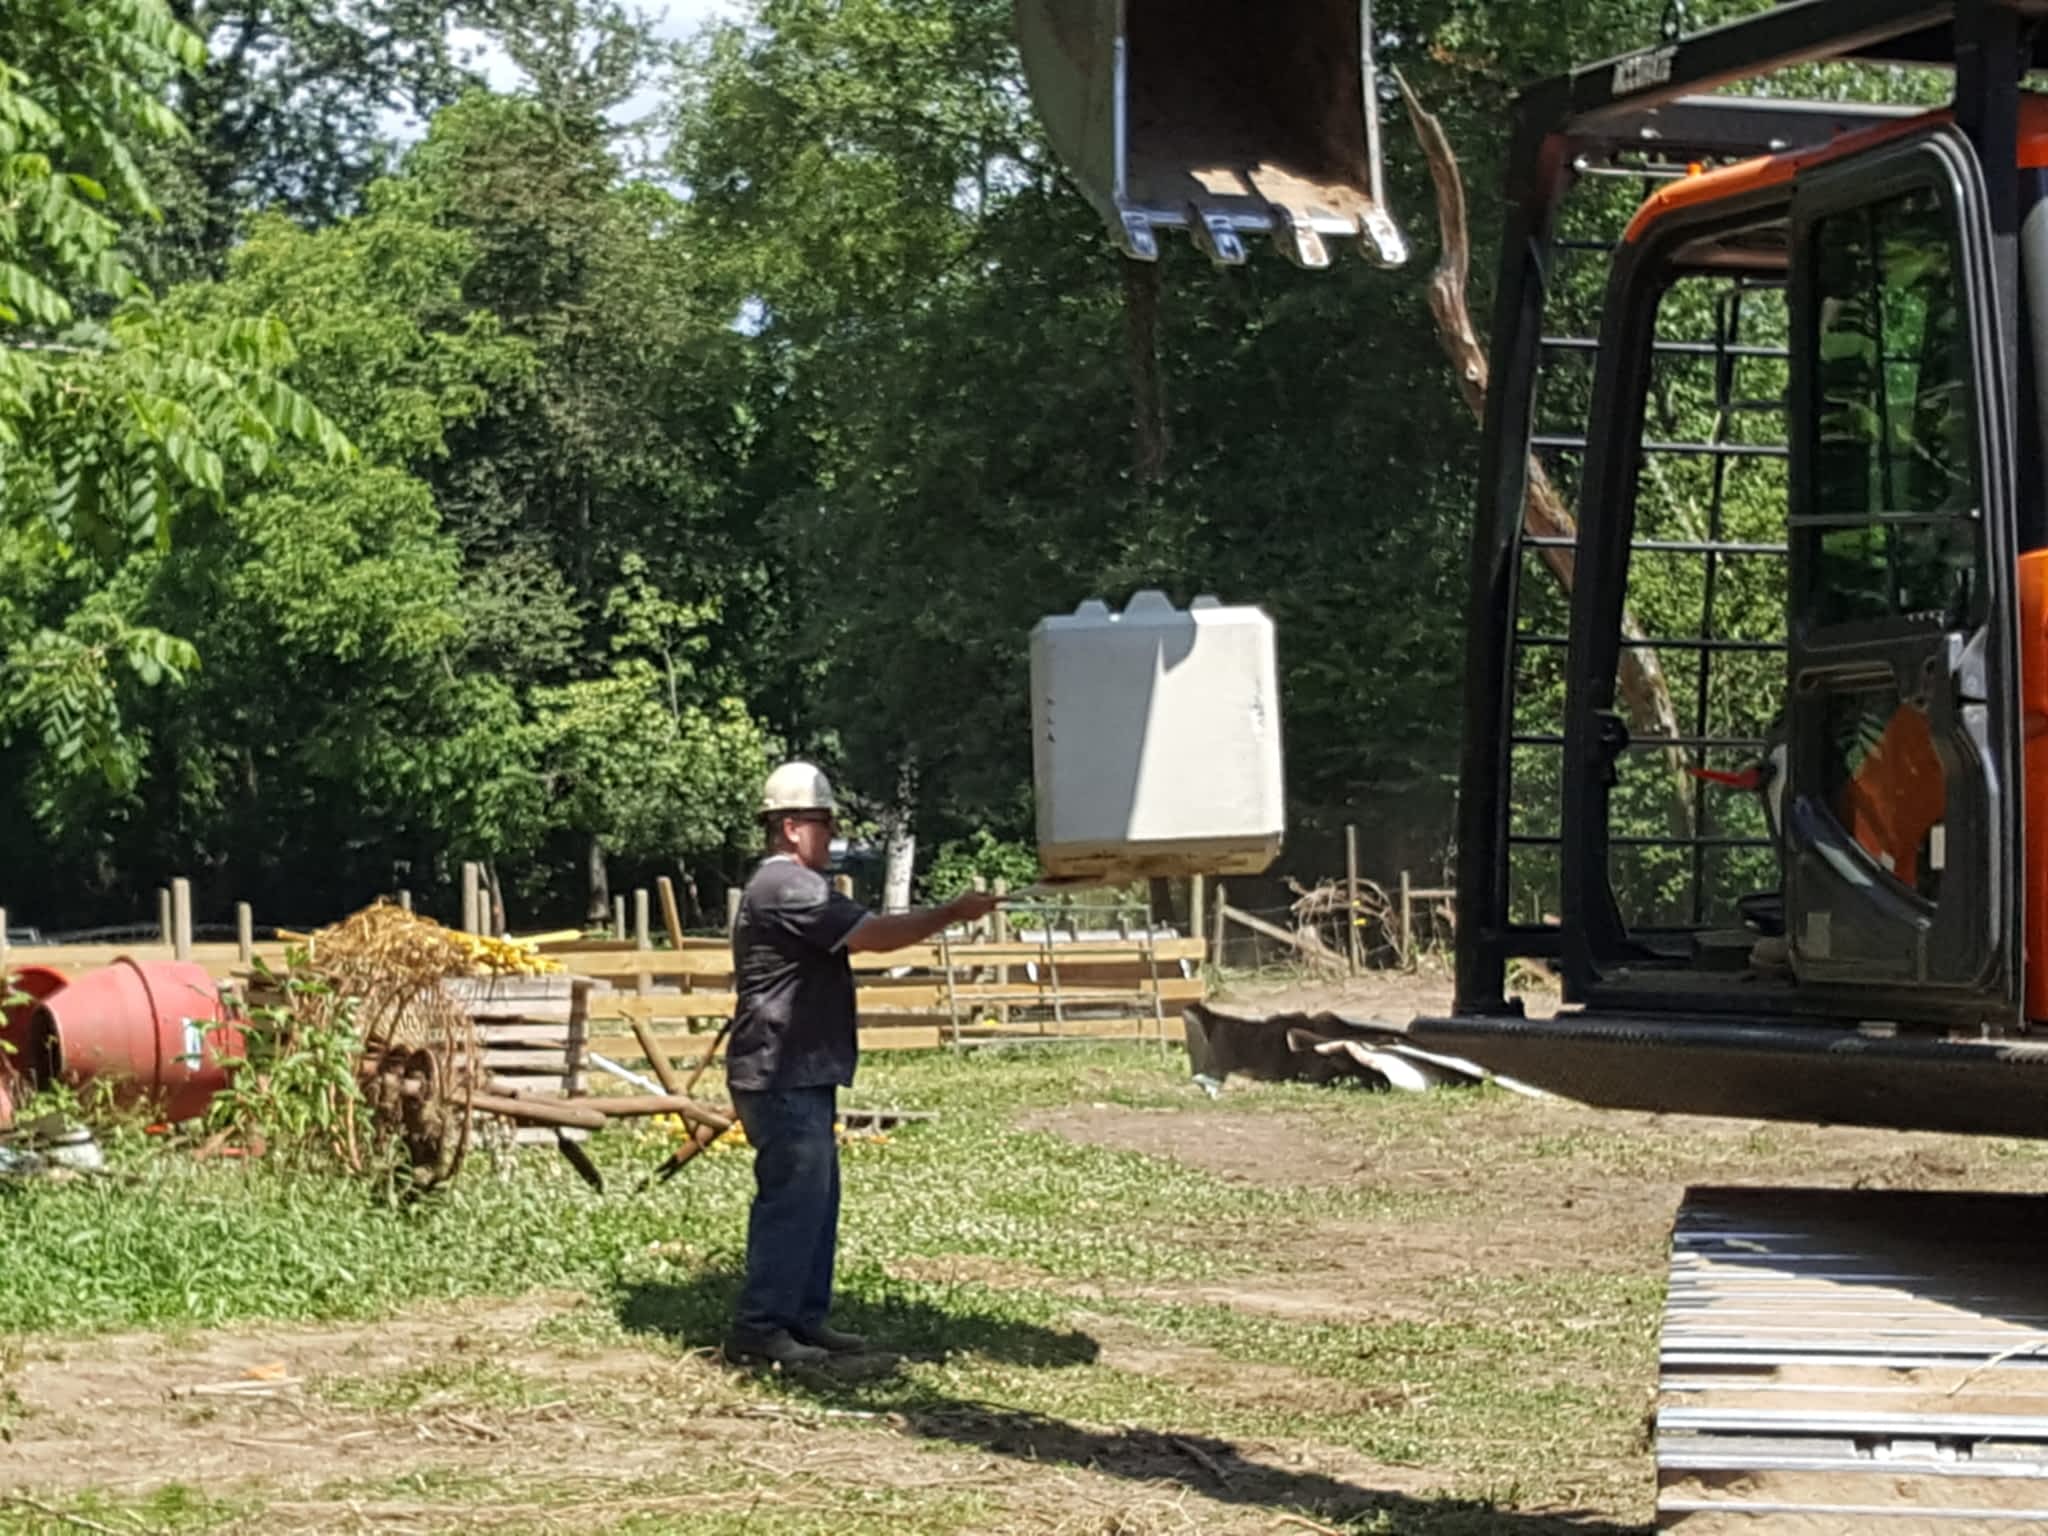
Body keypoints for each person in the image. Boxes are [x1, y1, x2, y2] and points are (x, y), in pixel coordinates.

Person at [723, 761, 1000, 1369]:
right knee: (794, 1202)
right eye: (824, 823)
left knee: (815, 1203)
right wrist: (952, 913)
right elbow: (873, 936)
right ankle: (761, 1328)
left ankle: (801, 1319)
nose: (833, 835)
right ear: (792, 827)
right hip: (781, 1071)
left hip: (795, 1069)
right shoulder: (788, 887)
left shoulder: (786, 886)